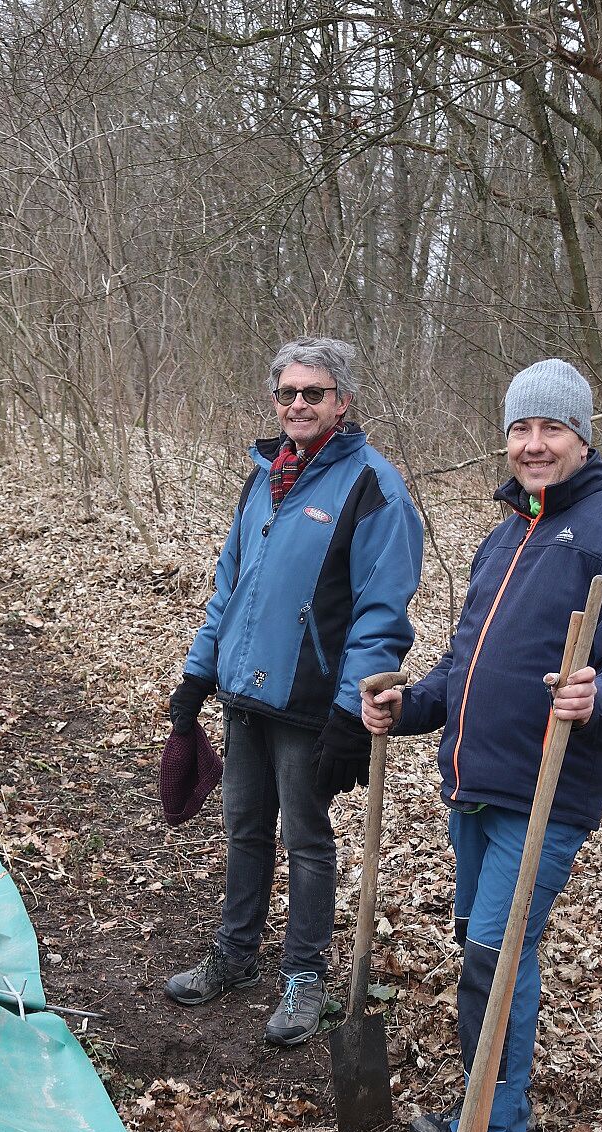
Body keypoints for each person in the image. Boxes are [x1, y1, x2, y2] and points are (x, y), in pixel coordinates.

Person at [362, 358, 602, 1132]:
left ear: (582, 436)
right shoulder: (505, 536)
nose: (534, 445)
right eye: (521, 430)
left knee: (496, 960)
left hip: (549, 794)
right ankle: (486, 1105)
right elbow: (468, 667)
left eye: (552, 429)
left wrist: (598, 692)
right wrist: (412, 704)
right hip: (477, 785)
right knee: (485, 953)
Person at [164, 336, 423, 1046]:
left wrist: (349, 712)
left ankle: (304, 978)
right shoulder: (265, 475)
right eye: (288, 393)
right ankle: (235, 954)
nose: (299, 404)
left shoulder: (373, 487)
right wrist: (196, 676)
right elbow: (231, 589)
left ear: (343, 401)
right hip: (243, 692)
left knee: (307, 843)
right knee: (244, 828)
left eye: (314, 393)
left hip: (311, 704)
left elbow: (381, 612)